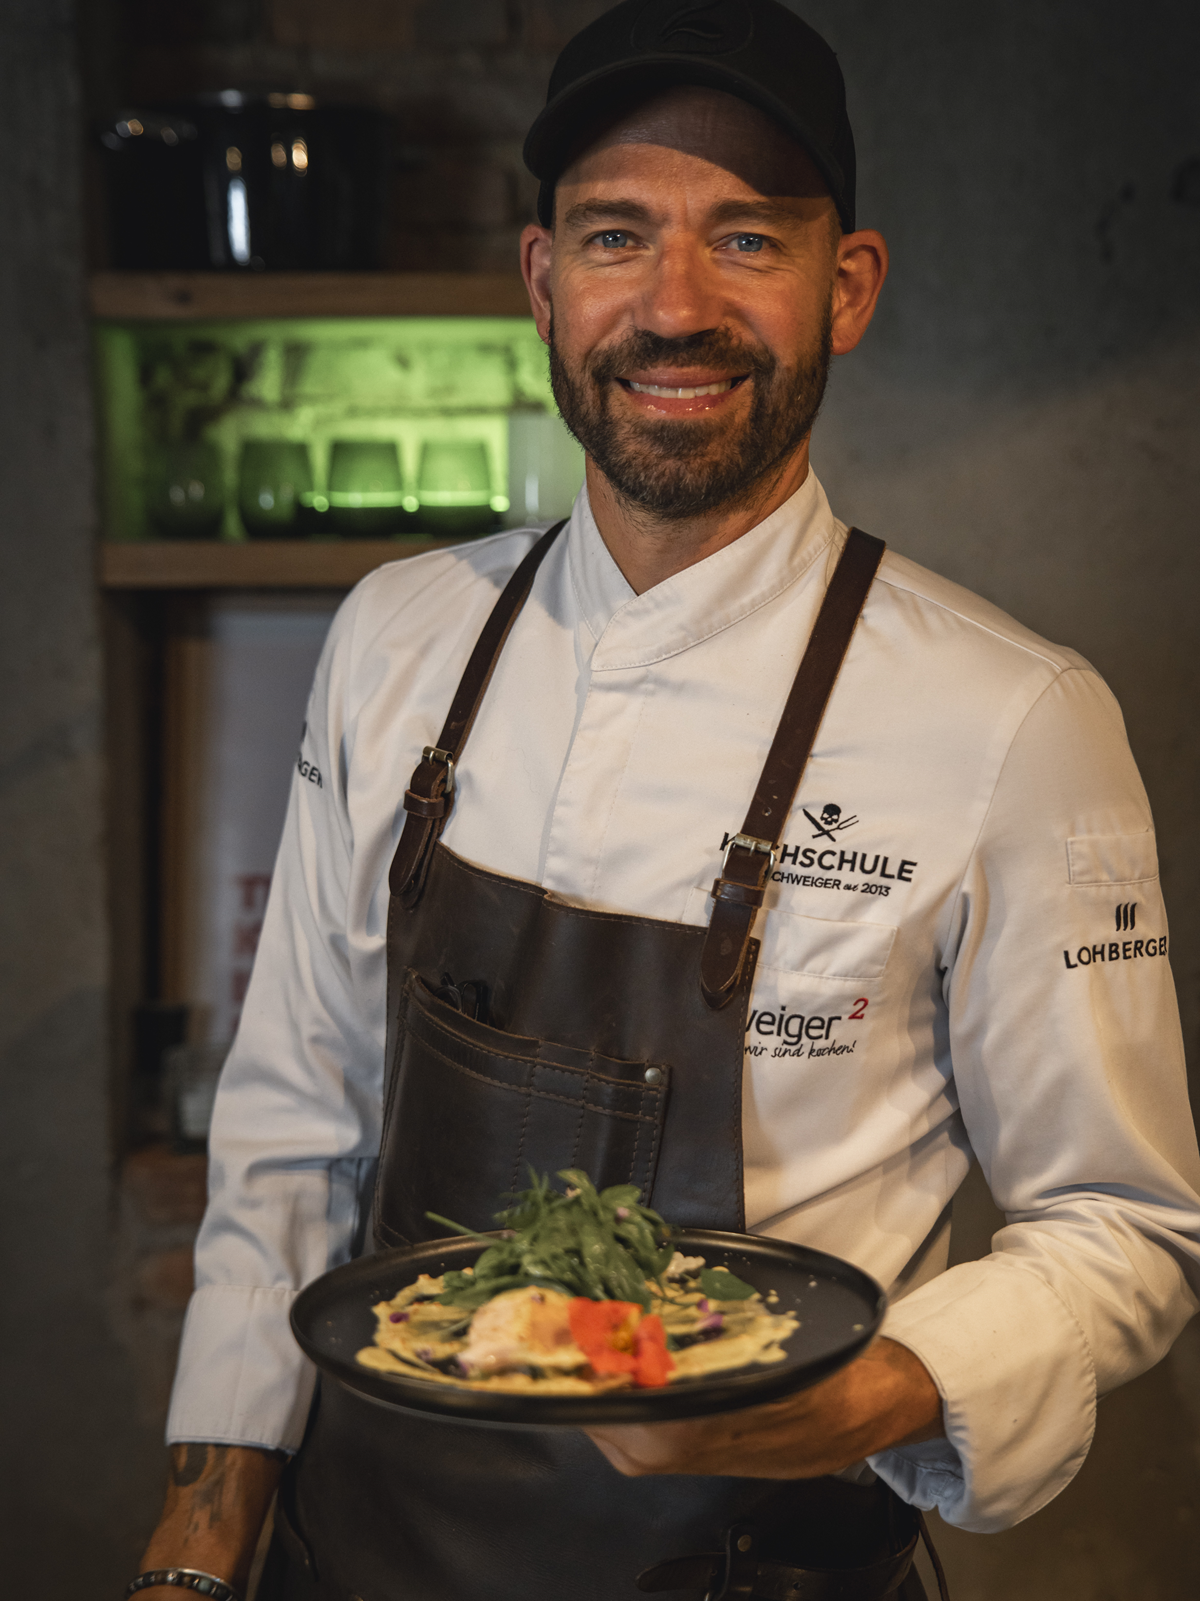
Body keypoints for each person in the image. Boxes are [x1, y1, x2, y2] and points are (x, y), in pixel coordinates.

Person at [129, 4, 1200, 1600]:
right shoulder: (397, 640)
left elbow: (1123, 1226)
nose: (675, 306)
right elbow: (296, 1123)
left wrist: (871, 1395)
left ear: (849, 290)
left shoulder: (1016, 720)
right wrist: (205, 1526)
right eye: (618, 234)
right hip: (357, 1555)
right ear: (544, 282)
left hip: (765, 1566)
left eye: (747, 238)